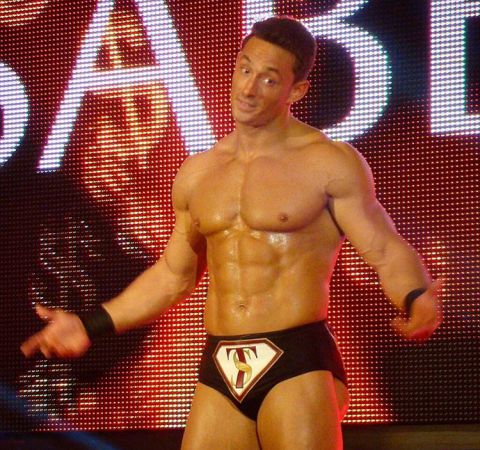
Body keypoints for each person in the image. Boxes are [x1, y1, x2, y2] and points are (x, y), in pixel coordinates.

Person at [21, 16, 442, 450]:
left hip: (296, 358)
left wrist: (414, 294)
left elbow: (383, 247)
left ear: (296, 90)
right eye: (244, 69)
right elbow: (173, 276)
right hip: (220, 361)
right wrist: (90, 325)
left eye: (268, 78)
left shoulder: (328, 162)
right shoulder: (199, 172)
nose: (248, 88)